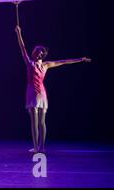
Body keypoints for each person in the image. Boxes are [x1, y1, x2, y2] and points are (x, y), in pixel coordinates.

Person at [15, 25, 91, 153]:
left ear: (40, 54)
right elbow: (22, 47)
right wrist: (18, 33)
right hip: (39, 93)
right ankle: (39, 147)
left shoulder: (35, 63)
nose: (37, 52)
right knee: (39, 121)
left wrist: (18, 33)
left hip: (35, 92)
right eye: (37, 50)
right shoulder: (38, 63)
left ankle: (39, 147)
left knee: (37, 121)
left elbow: (64, 61)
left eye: (39, 51)